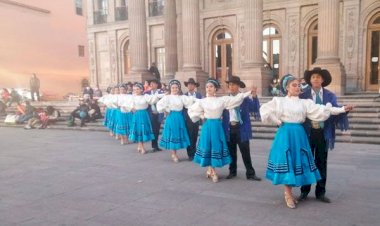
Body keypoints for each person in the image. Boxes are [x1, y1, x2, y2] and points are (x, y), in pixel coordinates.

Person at [259, 74, 352, 209]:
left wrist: (342, 109)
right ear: (286, 88)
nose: (297, 88)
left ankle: (301, 192)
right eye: (294, 85)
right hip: (286, 134)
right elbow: (265, 110)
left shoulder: (305, 102)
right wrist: (278, 121)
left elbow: (321, 110)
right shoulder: (279, 101)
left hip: (299, 134)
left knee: (298, 162)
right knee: (288, 161)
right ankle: (288, 193)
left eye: (298, 85)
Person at [298, 67, 353, 203]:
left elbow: (335, 110)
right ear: (310, 80)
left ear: (323, 80)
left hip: (323, 133)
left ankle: (320, 192)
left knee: (322, 162)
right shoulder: (303, 95)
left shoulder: (330, 95)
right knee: (307, 162)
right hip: (307, 134)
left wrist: (344, 110)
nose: (315, 79)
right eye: (313, 77)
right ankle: (304, 191)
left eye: (318, 77)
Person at [188, 78, 256, 183]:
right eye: (207, 86)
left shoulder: (227, 100)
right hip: (217, 127)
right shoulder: (209, 101)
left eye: (211, 86)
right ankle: (223, 171)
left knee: (240, 151)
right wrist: (202, 116)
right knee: (219, 148)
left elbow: (244, 103)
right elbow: (192, 110)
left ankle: (249, 173)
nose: (208, 88)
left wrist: (251, 94)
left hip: (230, 128)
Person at [222, 75, 261, 181]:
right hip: (229, 128)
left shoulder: (244, 98)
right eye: (229, 84)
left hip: (241, 128)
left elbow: (254, 109)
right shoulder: (225, 100)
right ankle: (232, 171)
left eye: (233, 84)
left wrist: (254, 96)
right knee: (231, 152)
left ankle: (250, 173)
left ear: (238, 86)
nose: (231, 86)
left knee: (245, 152)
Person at [156, 79, 195, 162]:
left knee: (177, 135)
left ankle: (176, 153)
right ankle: (174, 154)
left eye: (176, 87)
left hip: (180, 118)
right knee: (173, 135)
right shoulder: (167, 97)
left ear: (179, 88)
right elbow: (159, 105)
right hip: (171, 117)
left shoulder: (182, 97)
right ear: (170, 88)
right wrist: (166, 109)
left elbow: (190, 101)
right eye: (173, 88)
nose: (175, 89)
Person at [120, 82, 164, 154]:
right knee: (139, 130)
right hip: (137, 115)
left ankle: (140, 145)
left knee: (143, 130)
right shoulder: (132, 97)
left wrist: (165, 95)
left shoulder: (145, 96)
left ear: (141, 90)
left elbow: (154, 97)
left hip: (144, 115)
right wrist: (131, 108)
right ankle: (142, 146)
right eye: (134, 89)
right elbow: (124, 103)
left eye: (137, 89)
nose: (136, 91)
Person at [183, 78, 202, 161]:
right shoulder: (184, 96)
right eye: (189, 84)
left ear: (195, 86)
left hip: (196, 117)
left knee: (194, 135)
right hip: (187, 118)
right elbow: (182, 108)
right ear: (187, 86)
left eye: (192, 84)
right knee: (189, 135)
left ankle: (194, 152)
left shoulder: (199, 95)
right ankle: (190, 153)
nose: (190, 85)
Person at [145, 79, 165, 152]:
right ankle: (154, 145)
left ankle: (156, 145)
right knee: (152, 130)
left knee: (157, 129)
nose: (152, 85)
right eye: (151, 83)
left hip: (158, 113)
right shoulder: (147, 93)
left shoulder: (161, 92)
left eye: (153, 83)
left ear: (157, 84)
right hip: (151, 113)